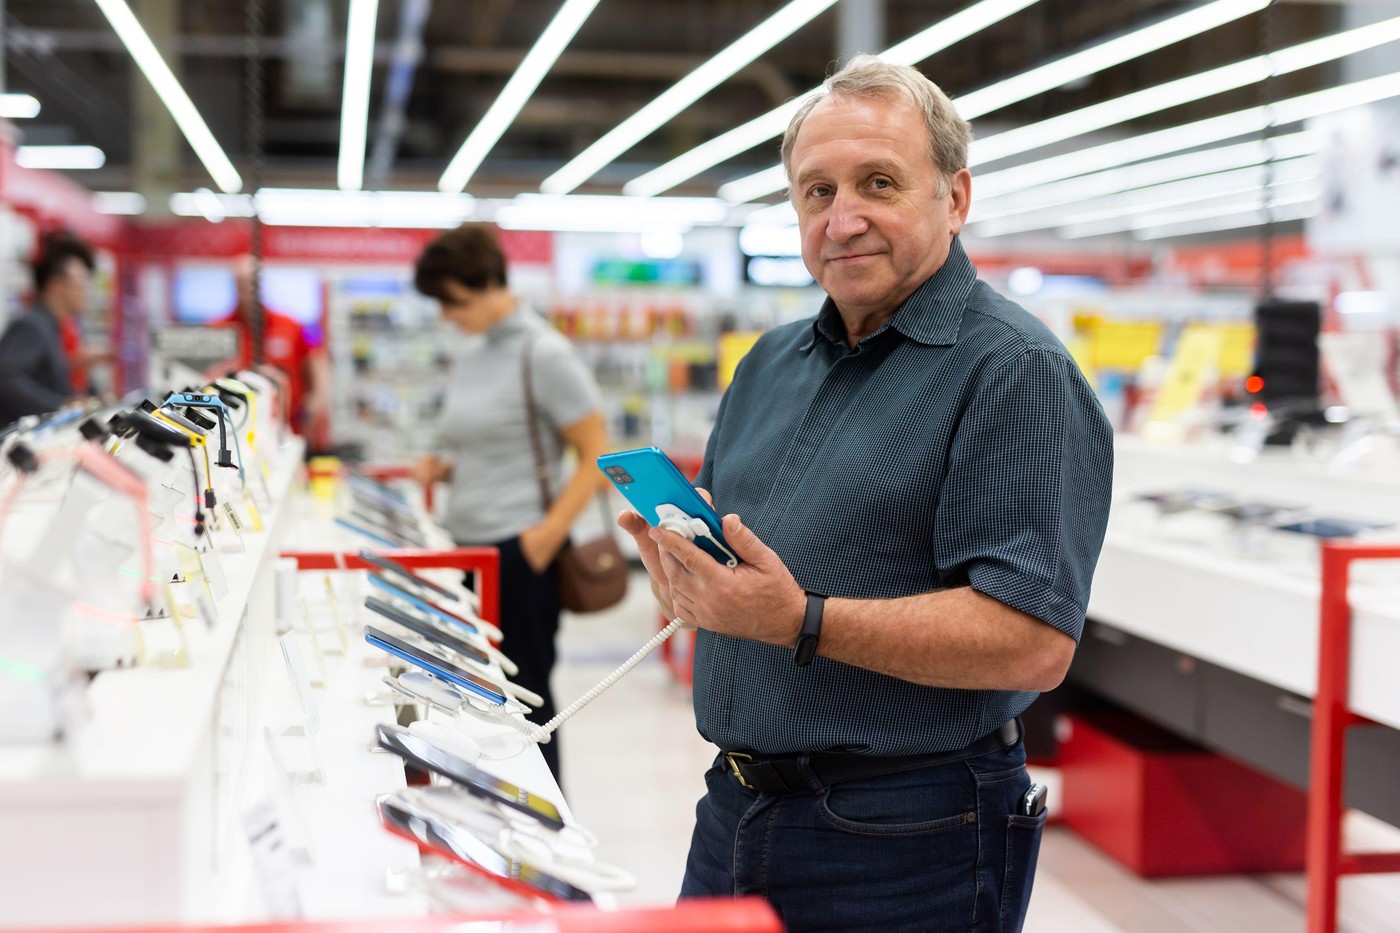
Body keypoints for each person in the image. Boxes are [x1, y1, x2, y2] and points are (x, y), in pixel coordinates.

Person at [616, 56, 1114, 932]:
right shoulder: (770, 362)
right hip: (734, 809)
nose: (841, 219)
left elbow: (1033, 641)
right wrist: (694, 584)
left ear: (955, 199)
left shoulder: (1015, 372)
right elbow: (756, 568)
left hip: (907, 836)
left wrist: (797, 618)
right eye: (815, 192)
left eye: (877, 183)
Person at [411, 223, 609, 783]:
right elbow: (492, 445)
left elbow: (596, 452)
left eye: (455, 300)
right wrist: (447, 469)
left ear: (490, 283)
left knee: (524, 704)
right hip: (465, 552)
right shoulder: (473, 354)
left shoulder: (543, 352)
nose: (448, 315)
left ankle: (545, 830)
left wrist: (543, 539)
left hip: (519, 557)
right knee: (474, 700)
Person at [213, 256, 331, 443]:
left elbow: (316, 358)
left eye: (251, 283)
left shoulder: (290, 325)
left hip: (288, 426)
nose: (247, 290)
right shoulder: (220, 329)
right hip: (236, 430)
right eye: (241, 284)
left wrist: (318, 397)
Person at [0, 233, 96, 428]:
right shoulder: (31, 325)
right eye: (81, 283)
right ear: (57, 285)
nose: (86, 291)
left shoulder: (53, 327)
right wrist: (60, 405)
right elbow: (6, 378)